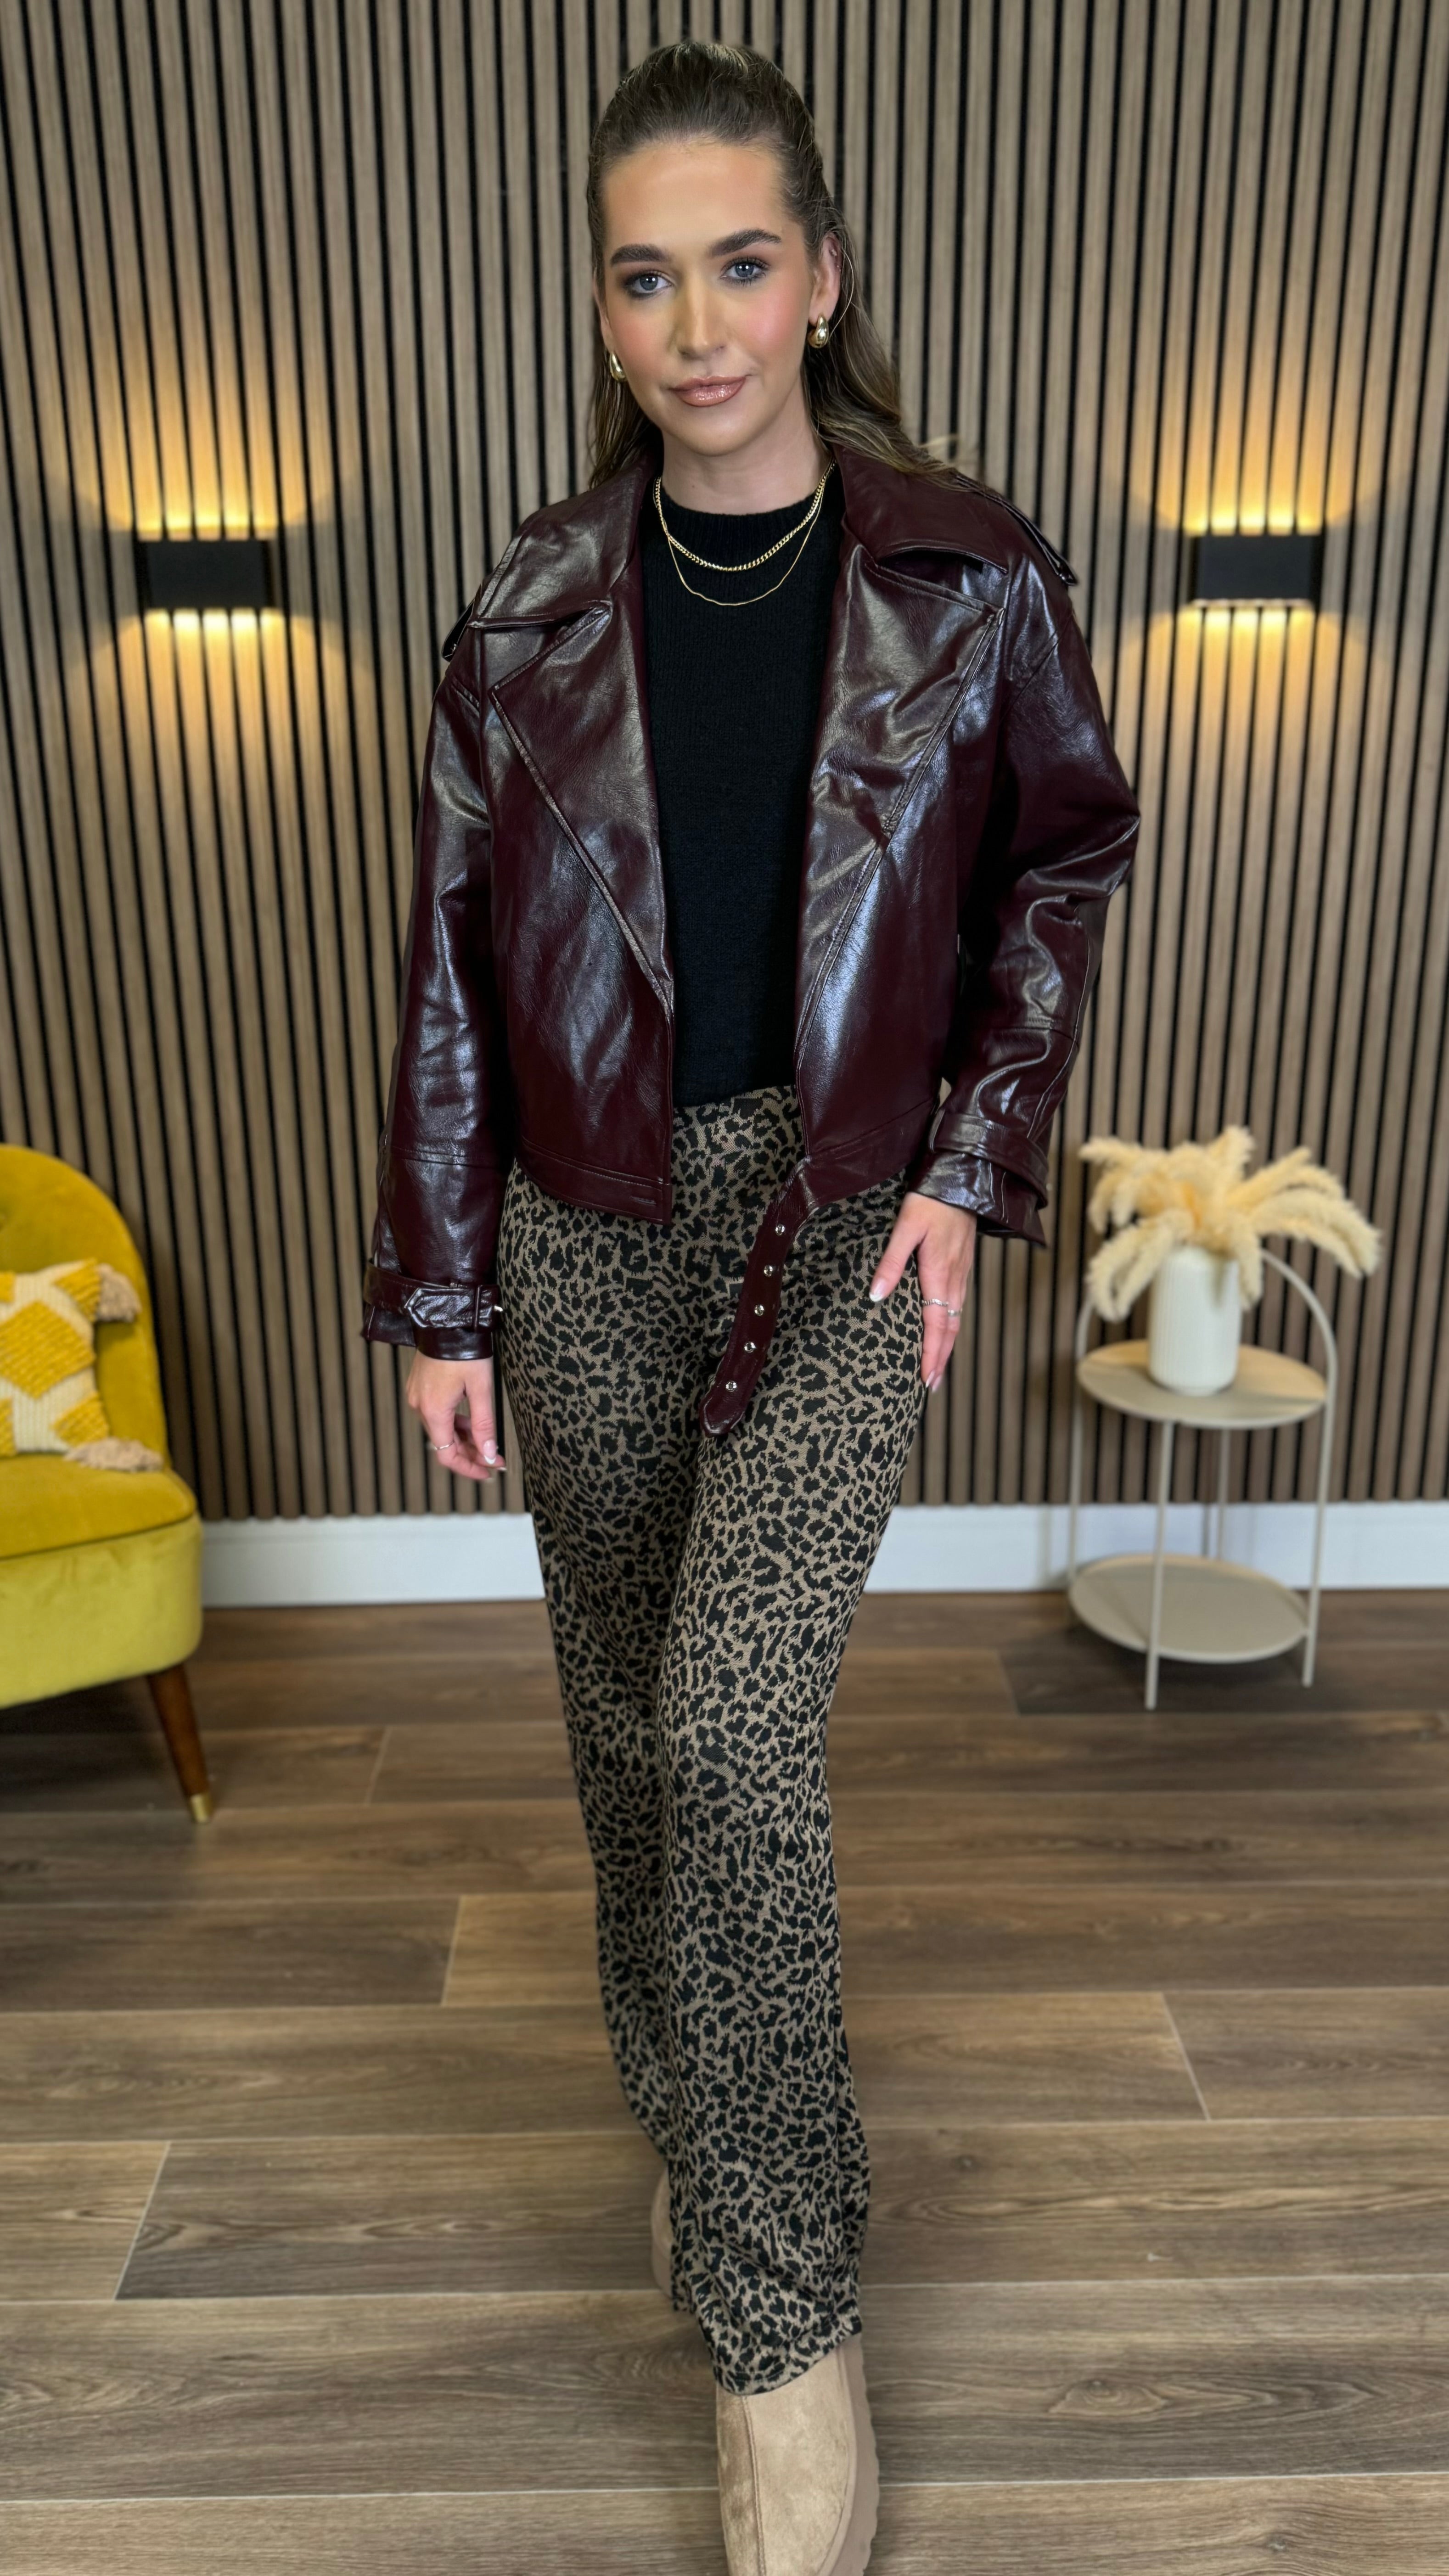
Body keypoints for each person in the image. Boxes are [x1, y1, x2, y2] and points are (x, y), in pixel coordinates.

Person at [362, 38, 1139, 2576]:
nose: (694, 326)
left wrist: (974, 1167)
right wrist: (444, 1289)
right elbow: (456, 968)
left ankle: (786, 2330)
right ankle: (706, 2154)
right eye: (643, 276)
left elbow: (1056, 864)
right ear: (603, 310)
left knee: (726, 1732)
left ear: (818, 279)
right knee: (625, 1750)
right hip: (585, 1224)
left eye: (737, 264)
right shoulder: (517, 613)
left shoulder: (965, 578)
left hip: (833, 1222)